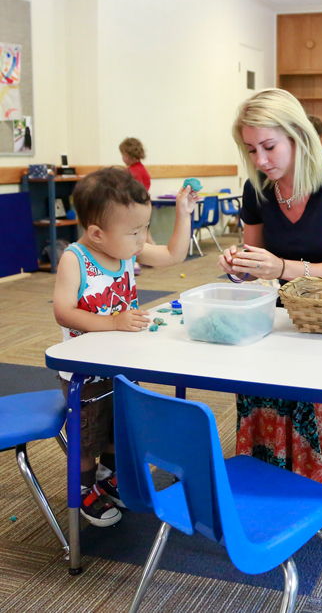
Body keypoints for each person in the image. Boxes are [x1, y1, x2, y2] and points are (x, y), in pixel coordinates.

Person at [218, 88, 322, 490]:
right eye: (250, 150)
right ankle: (260, 475)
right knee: (254, 384)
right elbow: (253, 267)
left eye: (268, 146)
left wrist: (282, 267)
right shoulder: (257, 188)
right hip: (279, 314)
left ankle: (306, 479)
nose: (260, 160)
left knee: (298, 391)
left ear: (298, 136)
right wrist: (238, 267)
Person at [53, 167, 197, 526]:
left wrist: (183, 212)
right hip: (84, 372)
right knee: (88, 436)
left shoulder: (127, 250)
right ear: (97, 234)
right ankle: (84, 488)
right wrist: (111, 322)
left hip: (122, 364)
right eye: (135, 231)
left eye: (144, 229)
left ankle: (110, 477)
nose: (142, 238)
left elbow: (174, 255)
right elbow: (63, 312)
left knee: (120, 425)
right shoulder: (76, 259)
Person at [119, 137, 154, 271]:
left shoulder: (129, 173)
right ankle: (152, 258)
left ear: (127, 155)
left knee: (132, 236)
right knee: (145, 234)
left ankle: (135, 262)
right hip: (146, 207)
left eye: (122, 155)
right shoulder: (143, 170)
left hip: (134, 208)